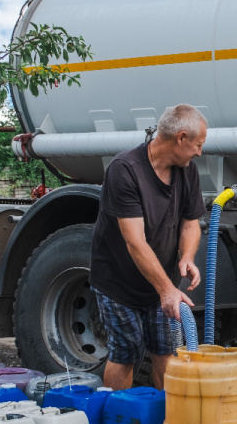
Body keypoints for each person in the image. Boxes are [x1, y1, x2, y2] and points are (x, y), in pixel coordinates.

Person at [89, 104, 207, 390]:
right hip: (119, 281)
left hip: (160, 280)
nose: (199, 152)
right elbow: (134, 241)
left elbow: (191, 221)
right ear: (180, 137)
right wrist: (167, 290)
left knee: (166, 352)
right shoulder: (125, 170)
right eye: (198, 145)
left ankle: (165, 421)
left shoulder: (186, 171)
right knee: (126, 352)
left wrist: (188, 256)